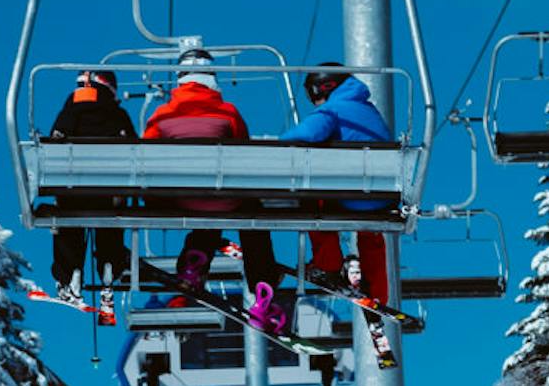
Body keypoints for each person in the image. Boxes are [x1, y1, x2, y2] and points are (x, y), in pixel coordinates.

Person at [143, 46, 280, 321]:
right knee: (251, 217)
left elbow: (146, 155)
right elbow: (243, 150)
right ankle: (262, 284)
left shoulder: (162, 115)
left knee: (205, 215)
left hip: (181, 199)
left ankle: (194, 264)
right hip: (225, 198)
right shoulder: (227, 112)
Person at [287, 64, 396, 308]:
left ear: (321, 88)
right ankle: (378, 292)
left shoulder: (333, 109)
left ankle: (328, 264)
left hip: (350, 194)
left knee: (313, 201)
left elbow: (303, 134)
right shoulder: (368, 110)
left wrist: (274, 145)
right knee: (371, 232)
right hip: (383, 196)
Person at [42, 67, 137, 297]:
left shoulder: (69, 113)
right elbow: (136, 151)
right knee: (111, 221)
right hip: (109, 194)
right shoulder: (118, 115)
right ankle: (109, 267)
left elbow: (53, 148)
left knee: (69, 225)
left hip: (73, 192)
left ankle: (69, 274)